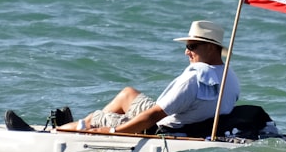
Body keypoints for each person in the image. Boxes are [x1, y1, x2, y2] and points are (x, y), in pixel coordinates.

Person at [41, 20, 241, 136]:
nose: (186, 52)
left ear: (210, 47)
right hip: (194, 120)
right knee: (127, 94)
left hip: (167, 127)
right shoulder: (229, 76)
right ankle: (83, 122)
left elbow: (154, 116)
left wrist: (115, 131)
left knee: (94, 119)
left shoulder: (193, 78)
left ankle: (58, 132)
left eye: (191, 46)